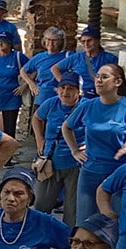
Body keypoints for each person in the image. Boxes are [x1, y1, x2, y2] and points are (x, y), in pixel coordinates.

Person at [60, 64, 126, 225]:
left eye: (104, 77)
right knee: (85, 223)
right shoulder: (88, 106)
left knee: (116, 223)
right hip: (90, 172)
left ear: (117, 82)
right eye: (97, 76)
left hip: (119, 173)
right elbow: (67, 127)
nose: (99, 80)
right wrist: (75, 150)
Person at [32, 78, 85, 227]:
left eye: (70, 88)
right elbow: (37, 117)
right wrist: (39, 139)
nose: (65, 92)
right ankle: (42, 234)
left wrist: (89, 145)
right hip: (50, 162)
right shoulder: (51, 103)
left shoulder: (86, 106)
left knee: (72, 208)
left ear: (79, 91)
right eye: (62, 88)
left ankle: (68, 237)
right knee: (41, 204)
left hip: (75, 164)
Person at [52, 25, 119, 99]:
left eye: (89, 41)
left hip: (103, 94)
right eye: (83, 41)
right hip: (82, 95)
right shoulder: (76, 57)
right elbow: (55, 68)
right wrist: (64, 83)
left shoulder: (110, 58)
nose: (86, 44)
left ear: (97, 41)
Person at [20, 26, 71, 110]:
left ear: (60, 42)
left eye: (54, 40)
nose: (50, 43)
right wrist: (30, 83)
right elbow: (23, 71)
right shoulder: (39, 57)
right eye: (48, 39)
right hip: (41, 97)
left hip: (60, 98)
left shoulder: (68, 56)